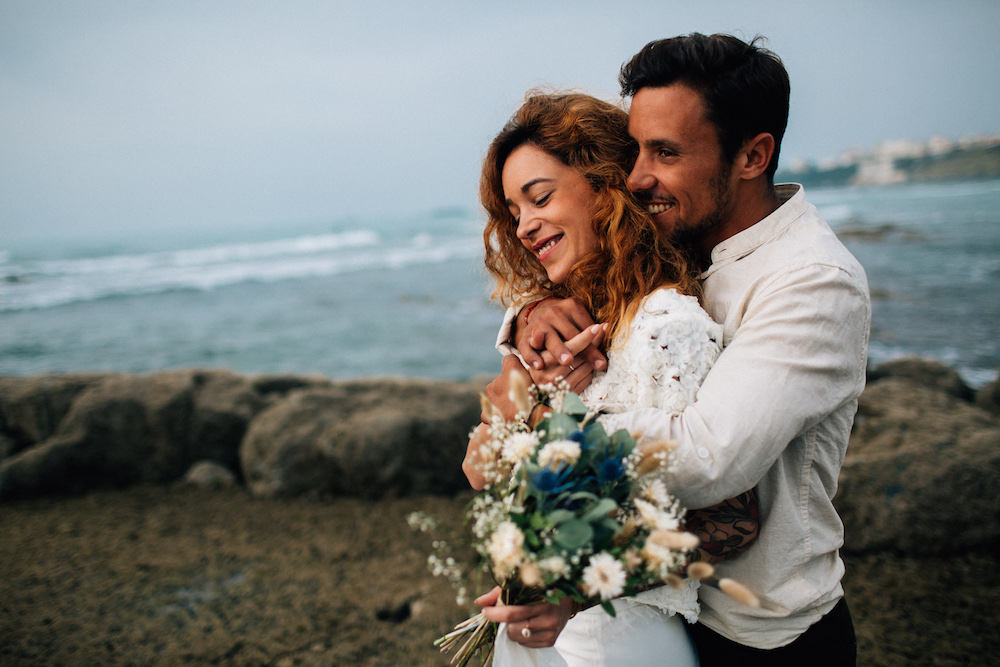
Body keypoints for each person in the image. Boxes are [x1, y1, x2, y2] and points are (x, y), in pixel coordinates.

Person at [485, 34, 869, 665]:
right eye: (636, 149)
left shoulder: (812, 281)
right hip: (667, 608)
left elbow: (706, 456)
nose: (636, 177)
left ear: (752, 155)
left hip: (763, 634)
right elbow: (601, 268)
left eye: (665, 152)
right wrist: (532, 313)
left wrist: (534, 432)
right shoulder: (684, 232)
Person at [464, 92, 758, 667]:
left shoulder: (667, 325)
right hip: (543, 631)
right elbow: (480, 472)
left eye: (539, 198)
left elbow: (729, 522)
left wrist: (573, 588)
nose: (524, 226)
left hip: (619, 641)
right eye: (513, 211)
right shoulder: (564, 324)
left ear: (606, 187)